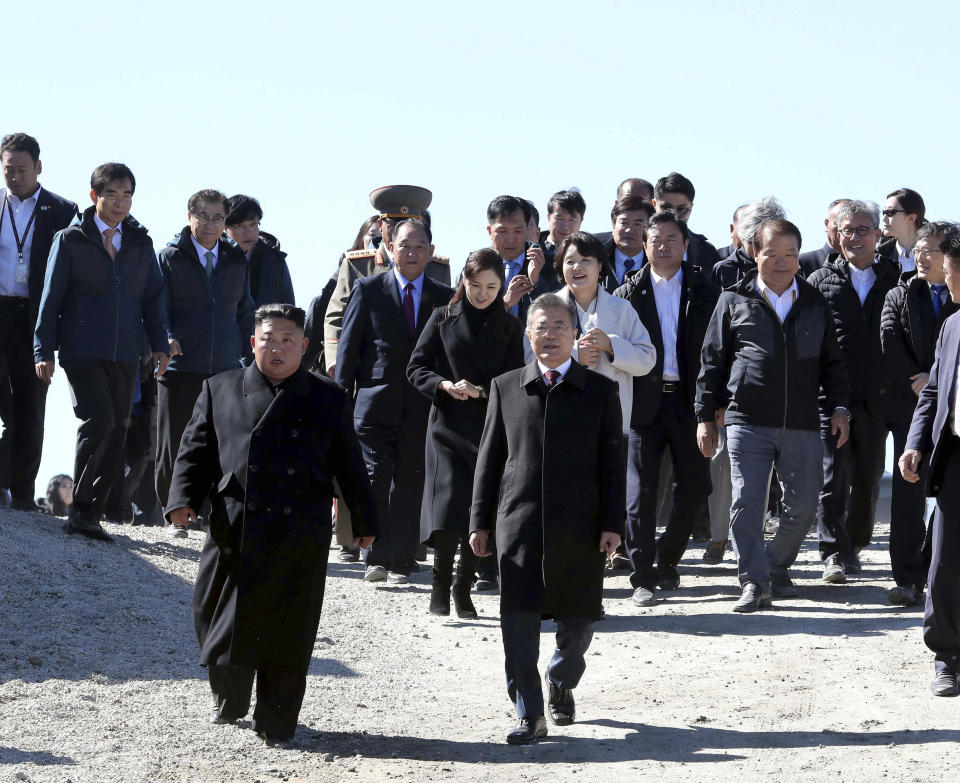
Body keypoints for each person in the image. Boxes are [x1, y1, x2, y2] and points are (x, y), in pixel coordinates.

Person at [166, 303, 377, 742]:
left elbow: (349, 464)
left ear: (304, 345)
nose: (277, 349)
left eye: (287, 341)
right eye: (268, 340)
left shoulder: (328, 397)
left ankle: (278, 718)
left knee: (289, 627)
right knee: (216, 617)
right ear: (252, 343)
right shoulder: (219, 388)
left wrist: (363, 518)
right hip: (233, 525)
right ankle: (229, 695)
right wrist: (181, 499)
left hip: (299, 527)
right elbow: (194, 451)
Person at [469, 293, 625, 745]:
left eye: (560, 326)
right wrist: (480, 521)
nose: (550, 335)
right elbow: (489, 460)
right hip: (517, 521)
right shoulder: (506, 386)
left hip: (582, 524)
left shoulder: (600, 390)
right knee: (516, 620)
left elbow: (613, 464)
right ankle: (529, 713)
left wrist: (613, 522)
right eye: (541, 326)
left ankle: (561, 677)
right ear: (528, 333)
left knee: (578, 622)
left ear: (576, 334)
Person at [697, 219, 851, 612]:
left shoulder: (816, 302)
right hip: (746, 419)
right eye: (772, 253)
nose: (781, 262)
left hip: (802, 420)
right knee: (747, 503)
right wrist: (703, 415)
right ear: (755, 253)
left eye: (790, 255)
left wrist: (839, 407)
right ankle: (753, 581)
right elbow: (711, 362)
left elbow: (834, 362)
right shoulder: (733, 299)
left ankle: (774, 566)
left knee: (802, 504)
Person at [35, 162, 170, 543]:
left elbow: (154, 300)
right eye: (112, 194)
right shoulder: (70, 239)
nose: (120, 202)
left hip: (128, 353)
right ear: (95, 196)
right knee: (100, 420)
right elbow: (51, 299)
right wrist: (41, 349)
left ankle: (92, 509)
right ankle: (80, 508)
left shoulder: (141, 243)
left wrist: (159, 344)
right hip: (81, 350)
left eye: (127, 194)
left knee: (117, 430)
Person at [406, 248, 525, 617]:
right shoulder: (441, 319)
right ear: (463, 281)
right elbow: (416, 367)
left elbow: (515, 378)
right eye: (475, 285)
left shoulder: (510, 326)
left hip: (490, 428)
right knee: (447, 504)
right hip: (446, 424)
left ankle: (463, 585)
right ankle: (439, 584)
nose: (483, 293)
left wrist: (483, 391)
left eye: (491, 286)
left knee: (480, 508)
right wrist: (444, 385)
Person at [336, 218, 453, 583]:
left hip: (422, 405)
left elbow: (449, 354)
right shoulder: (368, 290)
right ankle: (375, 556)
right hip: (374, 404)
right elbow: (349, 350)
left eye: (420, 246)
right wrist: (341, 398)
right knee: (375, 479)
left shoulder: (443, 296)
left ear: (431, 252)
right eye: (405, 245)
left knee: (410, 480)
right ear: (390, 246)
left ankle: (403, 557)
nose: (412, 253)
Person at [614, 211, 718, 605]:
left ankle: (667, 559)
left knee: (695, 486)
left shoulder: (705, 290)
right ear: (644, 245)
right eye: (655, 239)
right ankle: (641, 574)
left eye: (671, 239)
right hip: (643, 403)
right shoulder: (627, 295)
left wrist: (713, 405)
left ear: (685, 245)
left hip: (690, 404)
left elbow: (717, 353)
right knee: (639, 492)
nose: (662, 246)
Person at [808, 200, 901, 582]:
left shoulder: (897, 278)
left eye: (864, 230)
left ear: (879, 236)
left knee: (867, 477)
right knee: (833, 475)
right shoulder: (817, 281)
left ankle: (856, 543)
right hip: (831, 396)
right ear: (836, 234)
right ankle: (832, 553)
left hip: (879, 396)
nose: (856, 238)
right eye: (848, 230)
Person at [156, 189, 255, 534]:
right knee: (176, 443)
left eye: (218, 218)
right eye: (203, 216)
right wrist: (165, 337)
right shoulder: (170, 257)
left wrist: (252, 350)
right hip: (181, 366)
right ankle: (173, 514)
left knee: (220, 446)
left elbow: (245, 310)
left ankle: (213, 516)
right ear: (189, 217)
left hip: (225, 368)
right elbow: (158, 306)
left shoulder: (235, 259)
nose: (210, 224)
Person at [881, 221, 960, 606]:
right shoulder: (901, 293)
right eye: (919, 250)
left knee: (946, 501)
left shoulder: (957, 299)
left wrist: (937, 379)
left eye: (931, 250)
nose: (921, 256)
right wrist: (921, 379)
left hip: (951, 416)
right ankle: (908, 579)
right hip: (909, 408)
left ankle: (932, 567)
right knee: (909, 494)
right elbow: (889, 339)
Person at [0, 132, 78, 510]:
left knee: (31, 405)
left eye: (21, 169)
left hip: (35, 318)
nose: (14, 176)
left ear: (38, 167)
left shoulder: (63, 211)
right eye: (7, 169)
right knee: (3, 404)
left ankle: (22, 490)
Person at [901, 234, 960, 696]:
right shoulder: (952, 325)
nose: (947, 275)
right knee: (945, 559)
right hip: (955, 456)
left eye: (953, 267)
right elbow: (935, 393)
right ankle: (946, 654)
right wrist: (916, 443)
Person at [323, 186, 450, 377]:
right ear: (381, 225)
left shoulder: (437, 268)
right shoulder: (357, 265)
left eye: (407, 223)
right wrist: (335, 357)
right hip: (372, 372)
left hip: (423, 375)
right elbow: (337, 314)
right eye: (393, 224)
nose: (399, 230)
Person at [302, 214, 379, 378]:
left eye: (381, 237)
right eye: (373, 236)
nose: (377, 241)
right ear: (361, 239)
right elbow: (328, 314)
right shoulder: (348, 267)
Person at [224, 194, 295, 306]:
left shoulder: (274, 260)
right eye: (240, 226)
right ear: (225, 227)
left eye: (253, 225)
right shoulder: (213, 257)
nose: (248, 232)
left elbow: (288, 309)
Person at [652, 172, 721, 271]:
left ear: (691, 208)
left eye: (681, 209)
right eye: (666, 208)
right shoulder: (637, 244)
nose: (674, 215)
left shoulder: (705, 251)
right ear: (654, 204)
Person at [600, 196, 654, 291]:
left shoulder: (658, 264)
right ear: (613, 225)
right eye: (624, 223)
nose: (629, 230)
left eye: (637, 224)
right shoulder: (596, 258)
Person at [879, 188, 926, 273]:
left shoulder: (938, 254)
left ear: (911, 218)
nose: (884, 219)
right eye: (884, 212)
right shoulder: (879, 257)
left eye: (890, 212)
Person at [798, 199, 849, 277]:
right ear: (827, 224)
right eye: (839, 222)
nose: (845, 229)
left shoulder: (870, 266)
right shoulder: (802, 263)